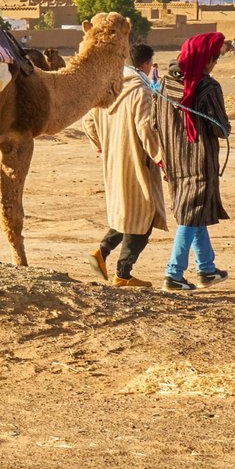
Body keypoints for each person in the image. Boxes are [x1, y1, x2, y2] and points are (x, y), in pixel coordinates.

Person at [84, 43, 168, 288]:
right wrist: (160, 157)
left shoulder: (106, 87)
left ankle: (101, 252)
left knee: (127, 213)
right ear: (146, 64)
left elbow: (88, 121)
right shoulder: (141, 90)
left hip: (113, 160)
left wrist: (101, 146)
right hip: (136, 162)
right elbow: (145, 128)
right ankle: (123, 273)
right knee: (143, 217)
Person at [156, 32, 232, 291]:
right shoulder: (208, 87)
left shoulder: (164, 84)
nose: (215, 64)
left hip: (173, 160)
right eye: (214, 58)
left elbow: (156, 123)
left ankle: (207, 270)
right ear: (205, 58)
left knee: (194, 212)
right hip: (199, 161)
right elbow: (220, 128)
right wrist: (226, 128)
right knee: (190, 217)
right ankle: (173, 274)